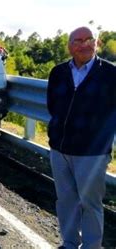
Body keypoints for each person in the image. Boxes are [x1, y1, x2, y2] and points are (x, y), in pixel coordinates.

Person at [47, 26, 116, 249]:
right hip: (60, 149)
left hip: (92, 153)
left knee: (90, 204)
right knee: (66, 201)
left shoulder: (110, 73)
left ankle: (91, 246)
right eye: (78, 40)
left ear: (97, 43)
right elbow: (52, 106)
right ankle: (69, 243)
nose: (84, 44)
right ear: (69, 46)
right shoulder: (58, 72)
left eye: (89, 39)